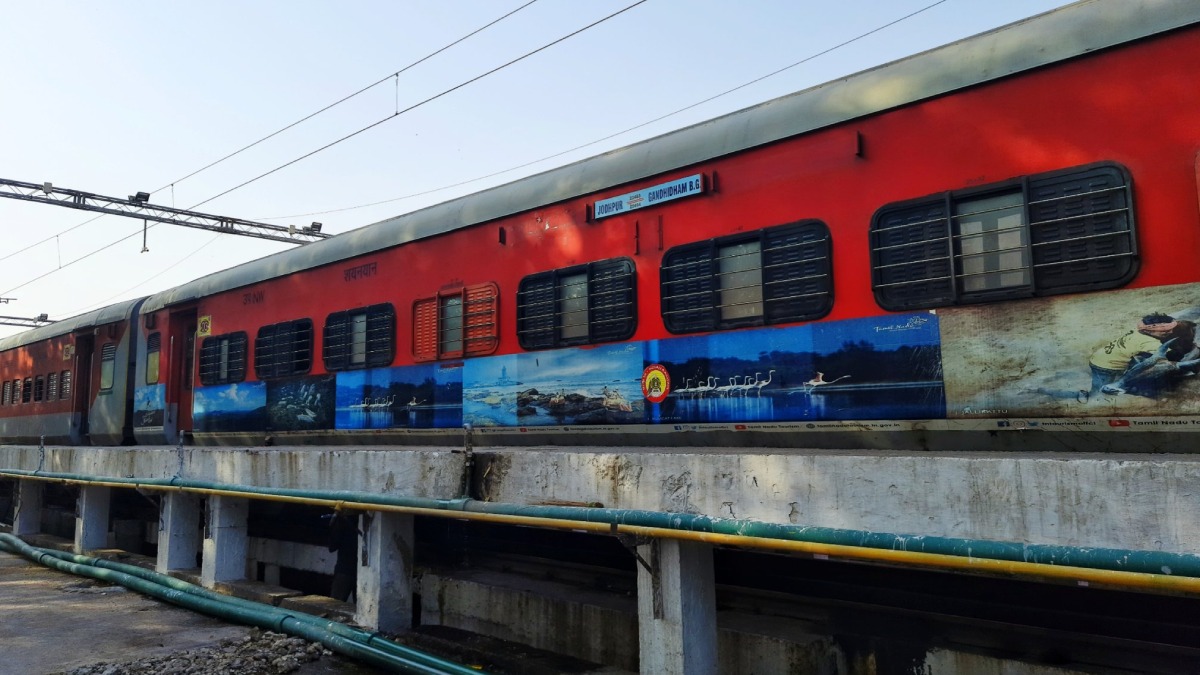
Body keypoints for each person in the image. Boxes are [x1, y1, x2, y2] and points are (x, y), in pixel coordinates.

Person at [1088, 313, 1194, 394]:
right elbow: (1171, 355)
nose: (1170, 332)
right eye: (1165, 331)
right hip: (1105, 366)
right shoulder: (1149, 342)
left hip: (1102, 357)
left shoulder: (1138, 331)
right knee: (1098, 393)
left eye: (1171, 329)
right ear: (1149, 331)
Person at [328, 512, 358, 602]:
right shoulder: (363, 518)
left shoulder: (341, 521)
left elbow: (332, 546)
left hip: (344, 569)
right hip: (363, 570)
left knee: (335, 605)